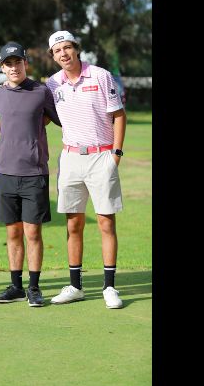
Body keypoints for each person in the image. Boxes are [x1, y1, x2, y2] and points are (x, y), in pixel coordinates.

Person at [45, 30, 126, 309]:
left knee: (105, 221)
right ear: (53, 56)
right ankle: (75, 285)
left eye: (67, 48)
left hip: (102, 155)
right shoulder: (53, 84)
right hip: (69, 158)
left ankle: (110, 287)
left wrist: (115, 154)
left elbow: (118, 115)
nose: (64, 54)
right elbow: (45, 116)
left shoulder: (100, 76)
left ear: (76, 49)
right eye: (58, 51)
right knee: (74, 223)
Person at [0, 42, 61, 307]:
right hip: (5, 173)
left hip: (34, 173)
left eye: (18, 62)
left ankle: (34, 287)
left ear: (25, 63)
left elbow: (57, 116)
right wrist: (2, 131)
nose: (14, 67)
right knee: (13, 234)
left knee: (33, 233)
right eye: (8, 63)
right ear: (2, 67)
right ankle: (16, 286)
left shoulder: (41, 91)